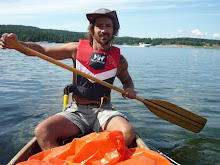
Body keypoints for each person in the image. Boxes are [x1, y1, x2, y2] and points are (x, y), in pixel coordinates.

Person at [0, 8, 137, 150]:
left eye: (108, 26)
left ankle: (90, 157)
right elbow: (43, 51)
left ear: (114, 30)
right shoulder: (76, 50)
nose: (103, 30)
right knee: (42, 131)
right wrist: (18, 45)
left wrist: (130, 89)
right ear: (92, 29)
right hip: (77, 111)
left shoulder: (120, 60)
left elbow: (127, 80)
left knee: (127, 134)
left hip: (104, 111)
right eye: (99, 26)